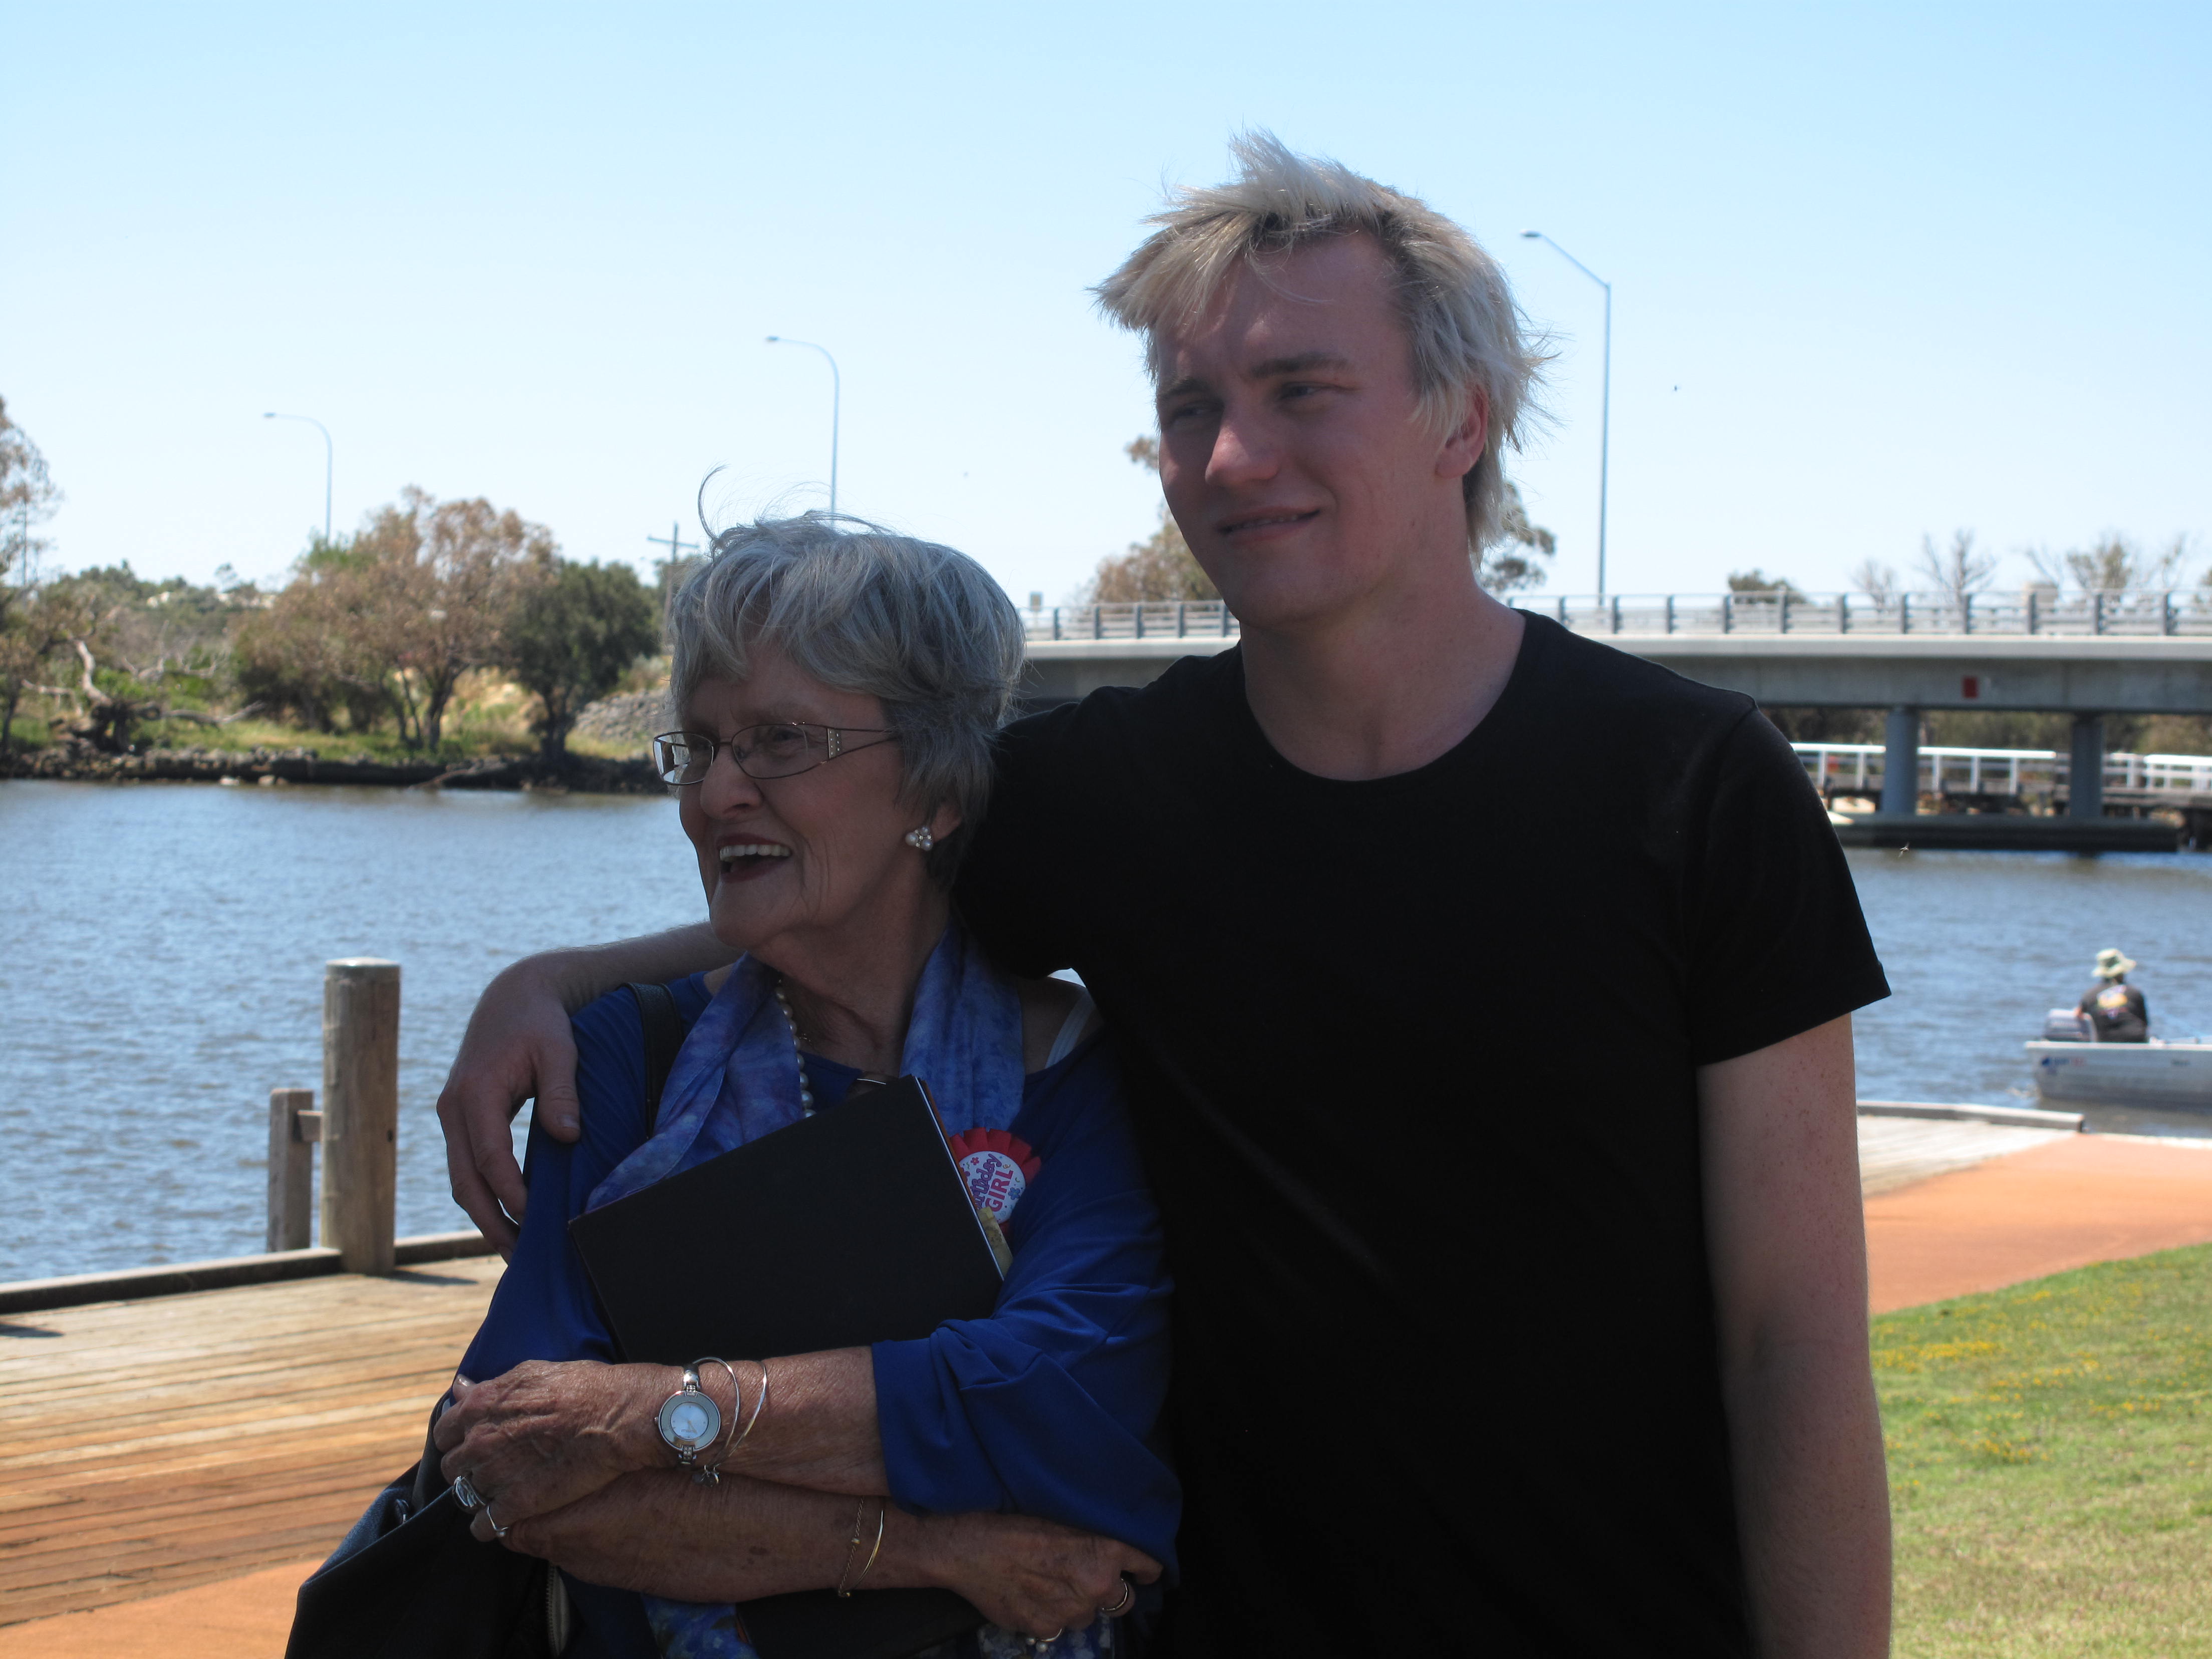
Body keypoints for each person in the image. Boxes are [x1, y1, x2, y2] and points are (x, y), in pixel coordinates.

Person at [438, 136, 1894, 1656]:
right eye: (1189, 408)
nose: (1231, 456)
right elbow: (840, 876)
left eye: (1300, 392)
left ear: (1460, 416)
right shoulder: (1101, 795)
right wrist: (551, 981)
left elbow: (1790, 1345)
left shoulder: (1694, 789)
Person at [425, 520, 1175, 1657]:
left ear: (934, 787)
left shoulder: (1073, 1074)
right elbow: (511, 1467)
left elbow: (1054, 1402)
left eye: (780, 739)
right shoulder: (625, 1057)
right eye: (699, 746)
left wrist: (640, 1416)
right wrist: (937, 1551)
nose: (716, 793)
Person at [2078, 947, 2149, 1041]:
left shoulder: (2090, 995)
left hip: (2104, 1044)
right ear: (2122, 971)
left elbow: (2078, 1014)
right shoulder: (2134, 993)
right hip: (2136, 1043)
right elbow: (2145, 1024)